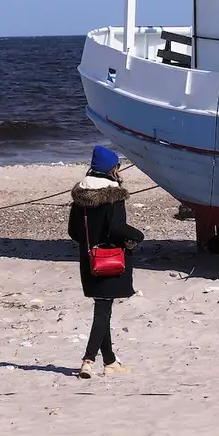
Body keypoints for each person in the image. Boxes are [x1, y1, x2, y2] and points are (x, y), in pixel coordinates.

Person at [68, 145, 143, 378]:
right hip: (109, 261)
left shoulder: (80, 197)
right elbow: (117, 229)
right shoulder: (113, 197)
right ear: (112, 169)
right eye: (117, 166)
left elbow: (73, 231)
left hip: (89, 260)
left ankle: (110, 361)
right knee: (103, 311)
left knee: (104, 309)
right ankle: (88, 360)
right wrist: (138, 236)